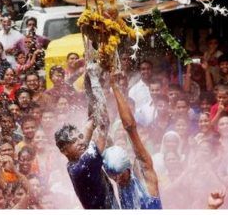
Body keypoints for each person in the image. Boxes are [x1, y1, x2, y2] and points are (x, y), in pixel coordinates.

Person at [54, 62, 119, 209]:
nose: (79, 141)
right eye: (73, 141)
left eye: (79, 137)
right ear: (64, 150)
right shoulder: (83, 165)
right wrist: (95, 81)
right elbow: (103, 123)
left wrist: (88, 85)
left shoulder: (77, 156)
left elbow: (91, 120)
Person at [102, 72, 162, 209]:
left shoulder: (146, 177)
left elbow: (130, 128)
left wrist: (114, 87)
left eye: (120, 176)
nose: (117, 180)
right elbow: (102, 135)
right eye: (114, 177)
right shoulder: (115, 172)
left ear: (127, 167)